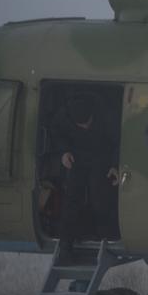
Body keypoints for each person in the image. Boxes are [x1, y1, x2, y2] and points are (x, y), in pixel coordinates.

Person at [53, 92, 120, 248]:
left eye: (88, 124)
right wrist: (64, 152)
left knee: (100, 198)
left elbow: (119, 140)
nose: (85, 127)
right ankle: (66, 244)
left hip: (102, 156)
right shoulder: (63, 116)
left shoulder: (106, 115)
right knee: (72, 199)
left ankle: (106, 240)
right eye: (81, 126)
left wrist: (115, 165)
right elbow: (56, 133)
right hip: (77, 157)